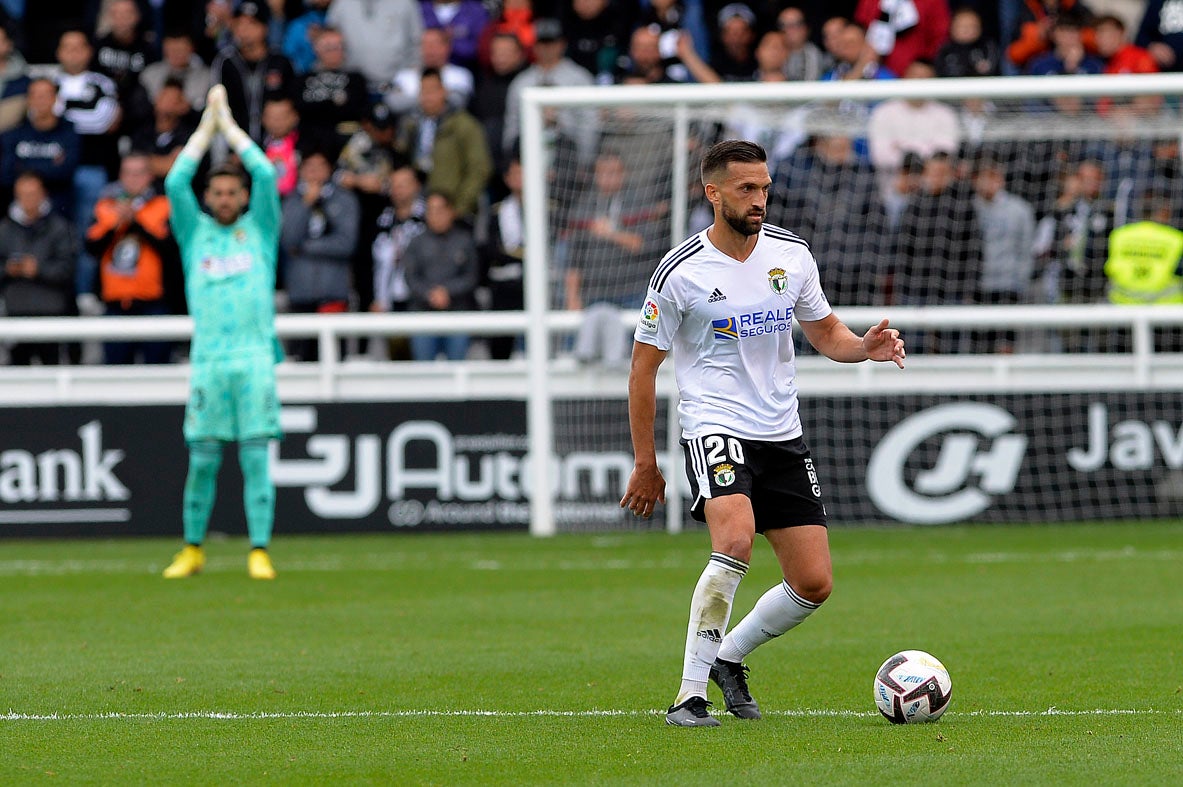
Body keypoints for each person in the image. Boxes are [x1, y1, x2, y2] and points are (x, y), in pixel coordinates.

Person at [620, 139, 905, 727]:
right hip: (715, 425)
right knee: (736, 542)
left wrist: (864, 348)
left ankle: (729, 657)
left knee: (814, 583)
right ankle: (688, 696)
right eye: (747, 189)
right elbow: (643, 367)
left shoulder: (791, 255)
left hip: (781, 430)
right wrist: (646, 462)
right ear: (713, 192)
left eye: (765, 188)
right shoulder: (681, 272)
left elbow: (826, 333)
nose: (760, 200)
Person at [161, 84, 282, 581]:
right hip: (209, 359)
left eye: (233, 192)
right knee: (204, 463)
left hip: (255, 359)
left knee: (256, 460)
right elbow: (173, 183)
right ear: (207, 199)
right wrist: (204, 130)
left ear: (244, 197)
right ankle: (192, 549)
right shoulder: (196, 234)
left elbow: (267, 172)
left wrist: (229, 127)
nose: (226, 198)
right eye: (218, 192)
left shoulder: (261, 230)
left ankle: (259, 551)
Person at [85, 151, 178, 364]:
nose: (133, 179)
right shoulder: (105, 206)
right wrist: (116, 225)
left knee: (157, 372)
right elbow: (91, 247)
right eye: (128, 173)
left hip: (154, 303)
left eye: (139, 173)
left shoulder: (163, 205)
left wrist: (135, 222)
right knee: (117, 374)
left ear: (150, 176)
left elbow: (170, 249)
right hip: (116, 304)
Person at [280, 149, 360, 362]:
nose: (314, 172)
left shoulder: (345, 199)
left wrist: (305, 247)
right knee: (301, 360)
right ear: (300, 170)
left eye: (320, 166)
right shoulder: (291, 201)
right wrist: (306, 204)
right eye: (309, 167)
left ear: (329, 169)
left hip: (333, 292)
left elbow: (346, 243)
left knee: (334, 358)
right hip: (300, 293)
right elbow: (287, 240)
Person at [0, 171, 77, 366]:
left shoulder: (60, 227)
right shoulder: (4, 229)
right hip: (16, 312)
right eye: (23, 195)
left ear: (43, 194)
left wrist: (38, 269)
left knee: (53, 374)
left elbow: (68, 268)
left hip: (51, 313)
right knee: (18, 378)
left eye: (32, 194)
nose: (28, 200)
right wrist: (8, 269)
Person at [403, 190, 479, 361]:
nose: (435, 215)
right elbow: (410, 277)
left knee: (458, 372)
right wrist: (430, 294)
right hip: (423, 314)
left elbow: (471, 276)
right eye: (430, 210)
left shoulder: (464, 240)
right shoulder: (416, 242)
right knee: (424, 375)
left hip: (457, 313)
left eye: (440, 210)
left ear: (451, 211)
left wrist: (447, 292)